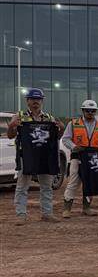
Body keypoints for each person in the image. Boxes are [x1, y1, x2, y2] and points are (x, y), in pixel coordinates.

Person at [8, 88, 64, 224]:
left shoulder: (49, 118)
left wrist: (61, 129)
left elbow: (56, 137)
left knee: (46, 186)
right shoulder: (19, 116)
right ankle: (21, 215)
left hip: (44, 156)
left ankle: (47, 214)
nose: (36, 102)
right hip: (26, 156)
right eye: (33, 99)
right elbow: (10, 136)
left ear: (42, 101)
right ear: (27, 101)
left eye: (38, 99)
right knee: (22, 186)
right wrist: (11, 126)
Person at [60, 99, 98, 218]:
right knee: (73, 182)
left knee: (90, 183)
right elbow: (65, 139)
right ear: (83, 111)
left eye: (93, 111)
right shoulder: (73, 124)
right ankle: (67, 209)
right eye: (88, 110)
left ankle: (87, 207)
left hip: (93, 158)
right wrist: (74, 147)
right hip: (78, 156)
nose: (90, 113)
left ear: (95, 112)